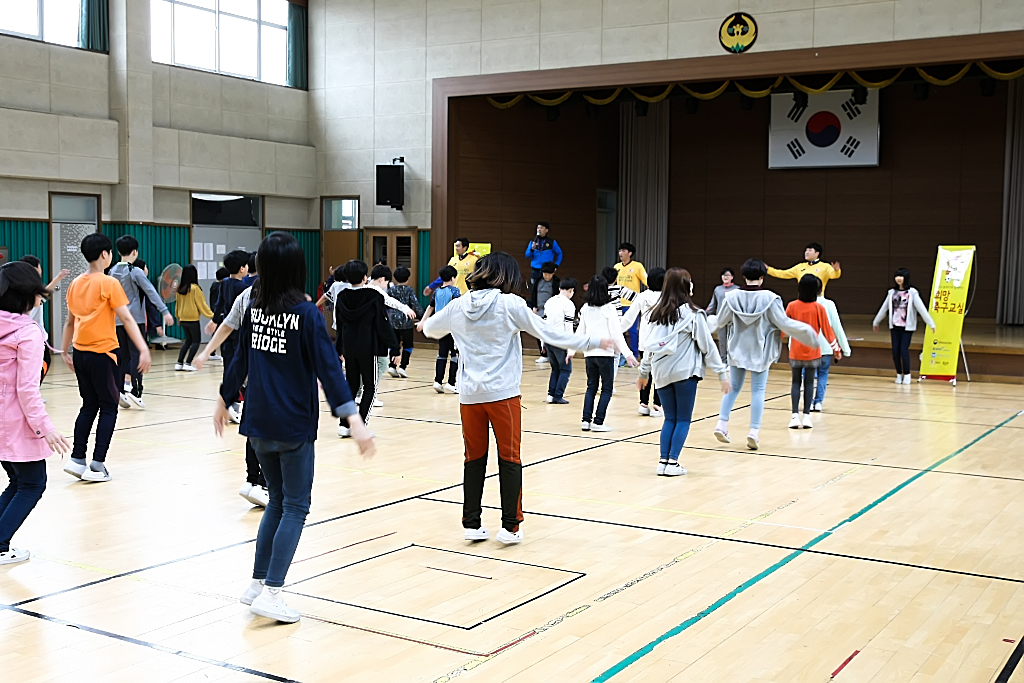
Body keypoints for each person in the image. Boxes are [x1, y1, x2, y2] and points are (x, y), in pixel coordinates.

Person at [215, 232, 374, 624]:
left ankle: (256, 584)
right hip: (292, 426)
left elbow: (238, 361)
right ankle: (272, 591)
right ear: (297, 268)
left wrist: (223, 399)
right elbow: (328, 369)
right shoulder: (305, 313)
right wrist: (354, 420)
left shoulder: (254, 308)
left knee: (278, 502)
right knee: (296, 507)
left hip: (258, 425)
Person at [421, 252, 616, 545]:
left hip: (470, 395)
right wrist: (592, 341)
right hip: (503, 395)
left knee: (473, 459)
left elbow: (430, 329)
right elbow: (550, 333)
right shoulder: (510, 304)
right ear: (507, 275)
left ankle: (472, 524)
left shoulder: (459, 305)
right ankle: (510, 527)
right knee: (509, 458)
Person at [61, 233, 152, 482]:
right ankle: (98, 465)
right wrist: (143, 348)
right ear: (105, 255)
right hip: (103, 354)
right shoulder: (109, 283)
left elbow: (69, 322)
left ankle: (77, 459)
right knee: (109, 406)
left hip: (80, 353)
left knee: (89, 405)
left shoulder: (75, 284)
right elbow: (126, 318)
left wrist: (64, 351)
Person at [0, 262, 72, 565]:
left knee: (18, 482)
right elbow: (27, 390)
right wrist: (47, 429)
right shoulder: (27, 333)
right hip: (18, 424)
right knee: (32, 484)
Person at [708, 258, 818, 451]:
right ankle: (753, 432)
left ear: (743, 276)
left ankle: (721, 424)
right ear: (762, 277)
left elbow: (721, 320)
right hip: (761, 350)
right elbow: (784, 323)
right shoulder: (771, 298)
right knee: (758, 390)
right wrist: (807, 334)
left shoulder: (732, 297)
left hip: (737, 349)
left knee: (733, 388)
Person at [638, 268, 731, 477]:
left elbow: (648, 347)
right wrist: (722, 374)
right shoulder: (693, 315)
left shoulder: (656, 313)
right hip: (684, 373)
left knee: (669, 418)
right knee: (682, 419)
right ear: (685, 287)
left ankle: (663, 461)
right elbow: (708, 347)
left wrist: (644, 372)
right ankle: (672, 462)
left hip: (661, 373)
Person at [191, 269, 268, 508]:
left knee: (254, 425)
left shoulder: (245, 294)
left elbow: (226, 326)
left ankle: (252, 480)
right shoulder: (282, 299)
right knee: (269, 431)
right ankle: (262, 483)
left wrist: (205, 351)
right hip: (267, 373)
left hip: (246, 367)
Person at [335, 260, 399, 437]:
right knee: (369, 387)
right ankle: (360, 427)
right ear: (365, 277)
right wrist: (394, 347)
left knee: (351, 386)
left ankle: (344, 424)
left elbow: (340, 325)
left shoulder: (342, 297)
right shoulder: (373, 296)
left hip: (348, 347)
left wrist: (338, 348)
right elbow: (382, 325)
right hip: (368, 348)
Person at [108, 235, 174, 409]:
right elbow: (151, 292)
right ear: (135, 251)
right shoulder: (135, 271)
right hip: (134, 321)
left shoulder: (112, 271)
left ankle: (120, 389)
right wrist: (165, 311)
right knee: (137, 355)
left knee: (121, 356)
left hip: (116, 320)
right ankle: (136, 391)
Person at [577, 275, 637, 433]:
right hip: (605, 355)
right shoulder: (609, 308)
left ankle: (586, 420)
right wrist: (628, 354)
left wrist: (570, 351)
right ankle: (598, 421)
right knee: (606, 389)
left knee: (591, 387)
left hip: (589, 354)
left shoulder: (585, 308)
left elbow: (580, 332)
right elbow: (617, 334)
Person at [785, 275, 841, 429]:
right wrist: (836, 348)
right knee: (809, 382)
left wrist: (774, 343)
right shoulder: (819, 308)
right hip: (813, 352)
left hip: (796, 351)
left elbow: (783, 327)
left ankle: (795, 415)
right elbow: (827, 331)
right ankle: (807, 416)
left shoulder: (791, 306)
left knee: (796, 382)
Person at [872, 267, 936, 385]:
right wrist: (876, 321)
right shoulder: (891, 293)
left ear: (906, 278)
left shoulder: (912, 293)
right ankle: (898, 374)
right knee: (895, 351)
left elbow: (922, 309)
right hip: (895, 326)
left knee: (903, 350)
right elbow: (884, 308)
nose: (898, 279)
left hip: (907, 327)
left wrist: (931, 323)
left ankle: (907, 374)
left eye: (901, 276)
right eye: (897, 276)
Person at [620, 267, 666, 416]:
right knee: (660, 374)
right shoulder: (669, 297)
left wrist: (615, 332)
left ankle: (643, 404)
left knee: (645, 372)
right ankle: (657, 405)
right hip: (662, 343)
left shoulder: (643, 296)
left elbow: (628, 319)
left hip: (645, 342)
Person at [211, 250, 251, 422]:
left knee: (229, 367)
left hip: (226, 330)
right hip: (239, 332)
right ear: (243, 268)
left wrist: (213, 321)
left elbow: (219, 304)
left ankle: (230, 402)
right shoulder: (244, 289)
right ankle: (235, 404)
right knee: (240, 369)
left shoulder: (225, 283)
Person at [20, 255, 70, 384]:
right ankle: (32, 392)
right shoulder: (30, 288)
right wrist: (58, 278)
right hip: (33, 337)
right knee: (42, 364)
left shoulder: (21, 286)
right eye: (39, 266)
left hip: (28, 336)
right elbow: (44, 293)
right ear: (35, 269)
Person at [416, 266, 461, 394]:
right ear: (453, 278)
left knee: (442, 354)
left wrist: (423, 321)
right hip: (452, 328)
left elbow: (430, 308)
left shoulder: (437, 292)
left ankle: (437, 381)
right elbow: (458, 309)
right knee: (455, 355)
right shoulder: (455, 291)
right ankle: (451, 383)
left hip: (440, 327)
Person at [813, 280, 851, 412]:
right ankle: (818, 402)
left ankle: (807, 403)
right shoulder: (829, 304)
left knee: (807, 375)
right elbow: (837, 327)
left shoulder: (800, 304)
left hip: (806, 348)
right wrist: (845, 349)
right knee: (823, 374)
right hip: (826, 347)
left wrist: (790, 346)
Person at [544, 278, 577, 405]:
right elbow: (568, 328)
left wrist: (543, 342)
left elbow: (544, 323)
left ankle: (550, 394)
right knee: (566, 369)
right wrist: (571, 348)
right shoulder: (569, 304)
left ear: (559, 289)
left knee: (555, 368)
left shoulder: (549, 301)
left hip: (548, 339)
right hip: (560, 340)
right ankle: (558, 395)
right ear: (571, 290)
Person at [174, 264, 214, 371]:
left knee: (188, 341)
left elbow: (177, 305)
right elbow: (202, 305)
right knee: (196, 341)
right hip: (193, 320)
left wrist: (178, 316)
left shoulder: (180, 288)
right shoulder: (195, 288)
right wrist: (213, 316)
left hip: (183, 319)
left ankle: (179, 363)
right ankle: (188, 363)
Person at [386, 266, 423, 378]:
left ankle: (392, 366)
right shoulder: (409, 290)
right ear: (408, 278)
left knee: (394, 344)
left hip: (392, 321)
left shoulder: (391, 290)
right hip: (406, 321)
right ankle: (402, 367)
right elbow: (415, 304)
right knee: (408, 345)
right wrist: (422, 316)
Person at [766, 242, 841, 294]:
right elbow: (783, 273)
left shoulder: (825, 266)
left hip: (818, 299)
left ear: (817, 253)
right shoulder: (800, 266)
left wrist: (836, 270)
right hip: (802, 299)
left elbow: (834, 275)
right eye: (806, 250)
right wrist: (768, 269)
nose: (806, 252)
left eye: (810, 250)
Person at [615, 242, 648, 355]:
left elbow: (646, 281)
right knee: (619, 331)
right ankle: (622, 354)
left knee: (632, 330)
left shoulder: (637, 266)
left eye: (623, 251)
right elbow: (611, 283)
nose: (621, 253)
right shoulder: (617, 267)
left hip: (632, 304)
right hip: (618, 304)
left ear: (630, 253)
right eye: (620, 251)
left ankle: (635, 354)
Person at [706, 267, 739, 363]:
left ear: (732, 277)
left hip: (733, 319)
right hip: (720, 319)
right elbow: (712, 305)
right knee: (722, 341)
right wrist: (704, 313)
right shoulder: (717, 289)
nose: (725, 277)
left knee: (732, 340)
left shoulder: (737, 289)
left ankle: (732, 361)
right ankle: (723, 361)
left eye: (728, 275)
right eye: (724, 275)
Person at [529, 261, 559, 364]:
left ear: (553, 273)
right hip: (539, 310)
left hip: (551, 310)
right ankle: (543, 354)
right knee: (539, 331)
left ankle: (552, 354)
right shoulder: (538, 281)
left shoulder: (556, 282)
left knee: (551, 332)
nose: (546, 276)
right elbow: (533, 294)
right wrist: (533, 306)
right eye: (544, 274)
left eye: (549, 274)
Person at [525, 222, 563, 291]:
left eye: (541, 228)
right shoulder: (533, 242)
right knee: (534, 289)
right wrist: (532, 249)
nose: (539, 229)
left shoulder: (552, 242)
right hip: (535, 269)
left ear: (546, 230)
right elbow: (527, 255)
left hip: (547, 269)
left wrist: (556, 265)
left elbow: (560, 253)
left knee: (547, 288)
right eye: (538, 228)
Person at [207, 266, 229, 361]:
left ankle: (211, 352)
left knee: (216, 332)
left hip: (214, 310)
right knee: (222, 333)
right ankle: (215, 352)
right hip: (221, 312)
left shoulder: (213, 285)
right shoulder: (222, 286)